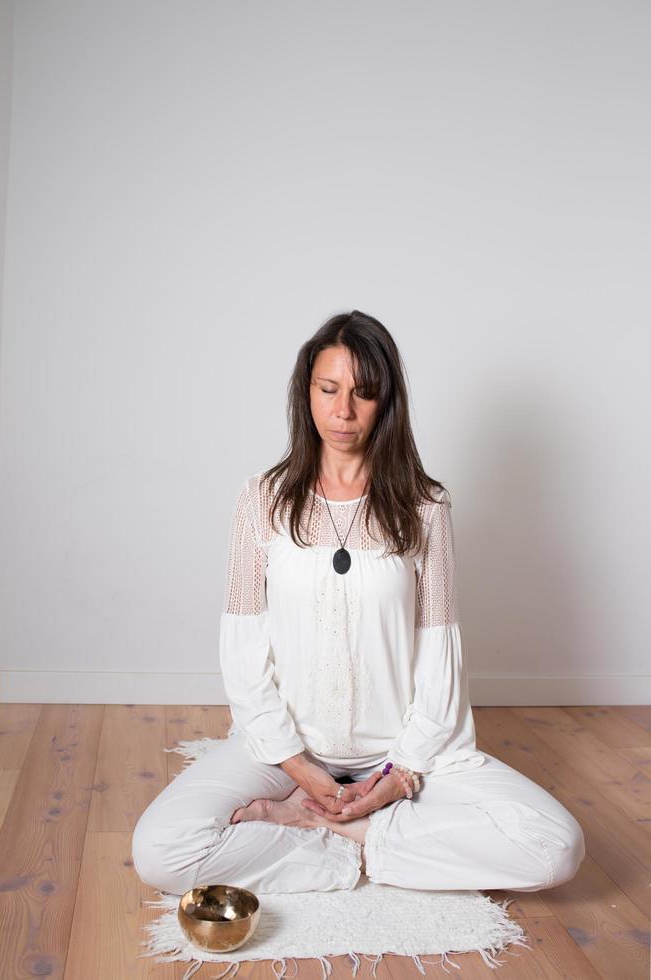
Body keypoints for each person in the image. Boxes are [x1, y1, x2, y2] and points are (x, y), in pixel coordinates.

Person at [132, 309, 586, 896]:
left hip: (403, 751)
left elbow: (438, 654)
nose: (343, 411)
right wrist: (297, 767)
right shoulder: (261, 499)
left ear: (386, 403)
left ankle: (351, 835)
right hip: (284, 752)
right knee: (160, 851)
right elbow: (245, 652)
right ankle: (355, 842)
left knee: (556, 846)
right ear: (307, 393)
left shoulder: (427, 507)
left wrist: (397, 778)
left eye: (363, 394)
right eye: (328, 390)